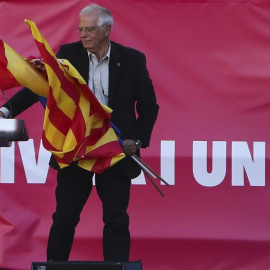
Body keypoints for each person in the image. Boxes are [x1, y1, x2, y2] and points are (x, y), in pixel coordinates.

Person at [0, 3, 159, 262]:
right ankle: (53, 267)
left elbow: (149, 106)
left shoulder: (132, 60)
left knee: (116, 218)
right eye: (80, 29)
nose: (83, 35)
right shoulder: (68, 55)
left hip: (115, 150)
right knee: (64, 217)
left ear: (107, 29)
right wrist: (4, 112)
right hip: (77, 150)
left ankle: (117, 268)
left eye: (89, 29)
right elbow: (39, 87)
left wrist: (136, 140)